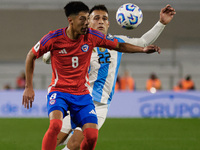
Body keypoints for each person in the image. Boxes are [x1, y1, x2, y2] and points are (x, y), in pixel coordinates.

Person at [22, 1, 161, 150]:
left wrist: (159, 26)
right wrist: (31, 82)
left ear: (109, 23)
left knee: (78, 142)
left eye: (104, 19)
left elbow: (137, 43)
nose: (99, 22)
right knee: (57, 133)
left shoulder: (104, 39)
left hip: (94, 102)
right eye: (94, 18)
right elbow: (39, 55)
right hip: (66, 92)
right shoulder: (60, 38)